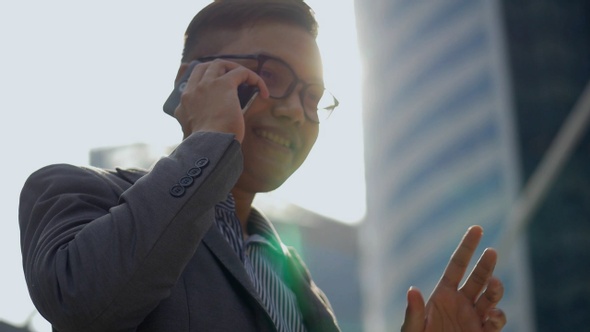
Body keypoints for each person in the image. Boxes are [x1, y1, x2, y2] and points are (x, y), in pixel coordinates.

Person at [18, 0, 507, 331]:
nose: (297, 109)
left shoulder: (301, 285)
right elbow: (86, 301)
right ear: (193, 79)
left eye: (313, 97)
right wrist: (211, 139)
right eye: (270, 75)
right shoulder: (72, 191)